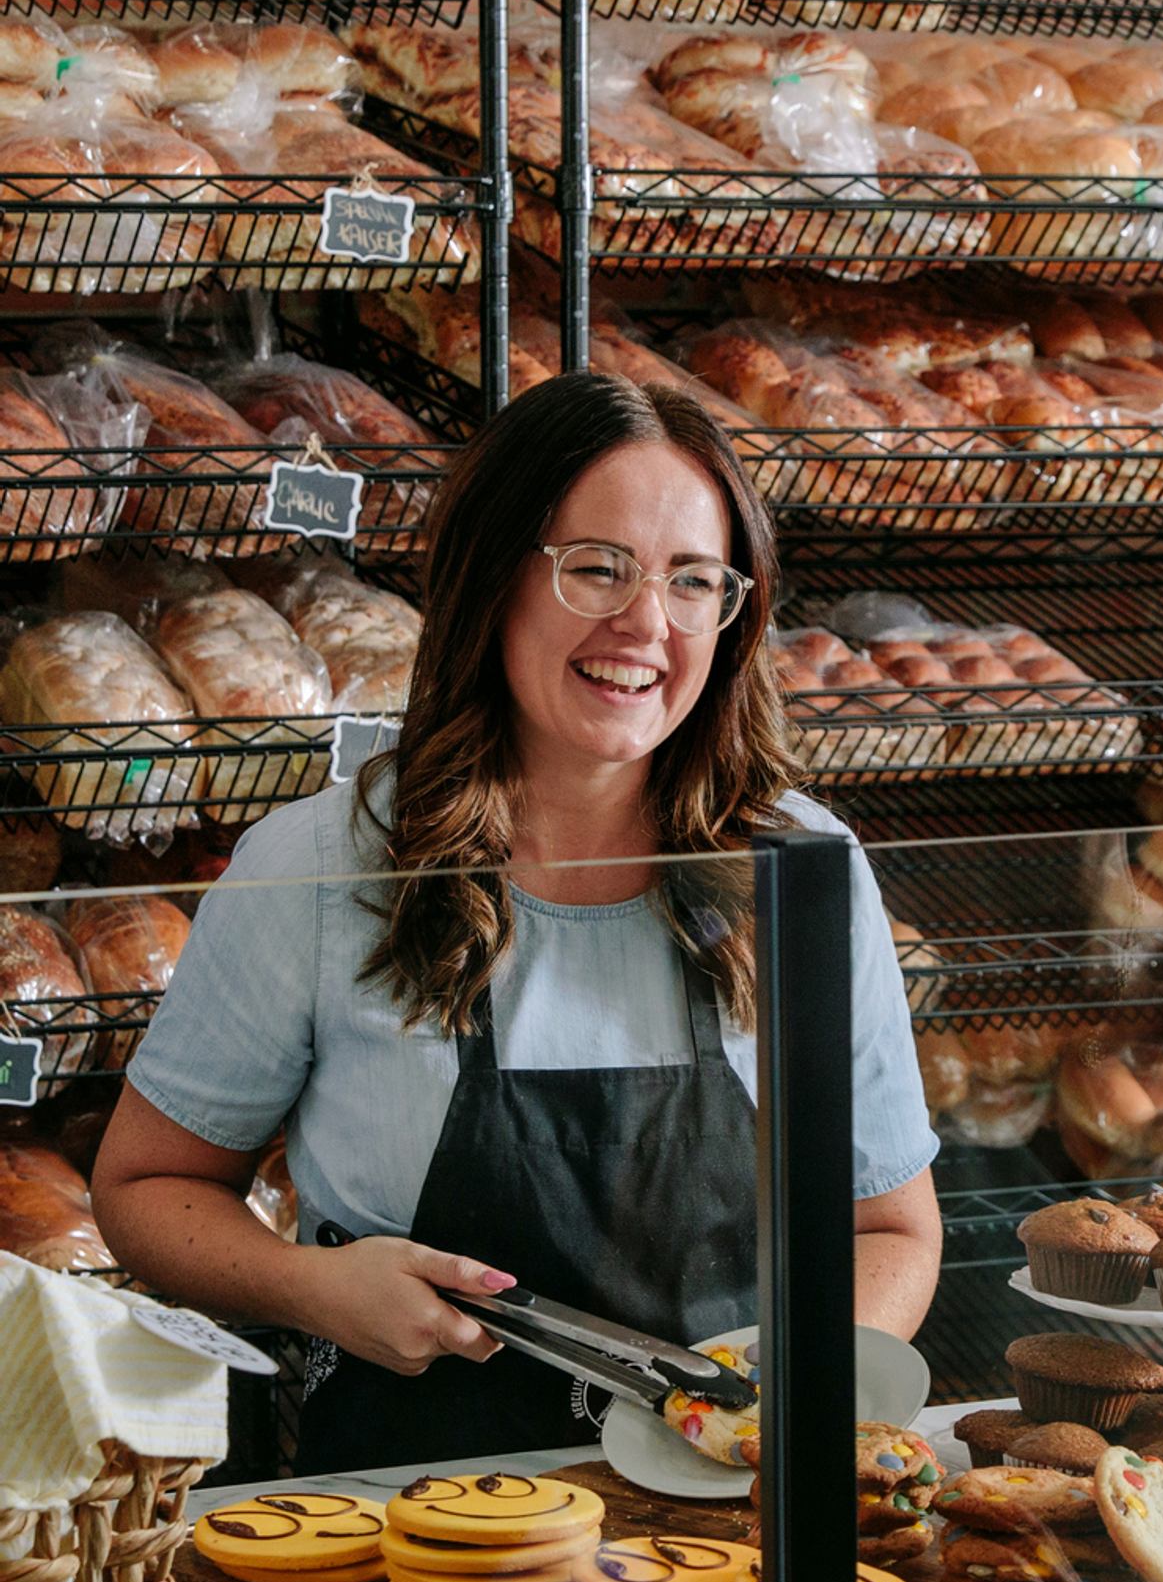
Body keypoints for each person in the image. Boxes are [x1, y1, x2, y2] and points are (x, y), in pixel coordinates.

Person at [94, 373, 942, 1471]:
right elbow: (144, 1186)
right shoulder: (320, 867)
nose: (646, 624)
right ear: (496, 578)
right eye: (598, 569)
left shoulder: (801, 874)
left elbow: (891, 1229)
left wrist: (783, 1389)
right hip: (412, 1535)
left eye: (695, 581)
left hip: (728, 1524)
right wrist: (314, 1288)